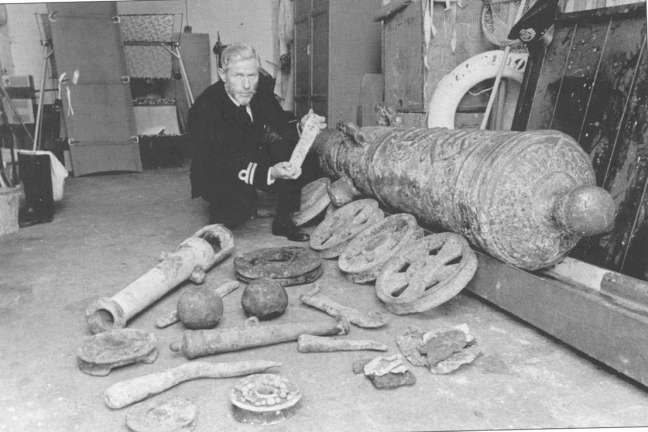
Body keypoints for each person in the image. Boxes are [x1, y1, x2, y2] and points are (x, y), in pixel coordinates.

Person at [188, 42, 326, 241]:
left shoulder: (258, 91)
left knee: (296, 152)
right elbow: (223, 162)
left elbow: (280, 122)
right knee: (235, 214)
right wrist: (269, 173)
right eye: (238, 76)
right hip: (217, 170)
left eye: (252, 76)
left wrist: (302, 126)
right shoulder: (205, 109)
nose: (246, 85)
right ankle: (236, 205)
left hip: (249, 153)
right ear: (222, 75)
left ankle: (283, 221)